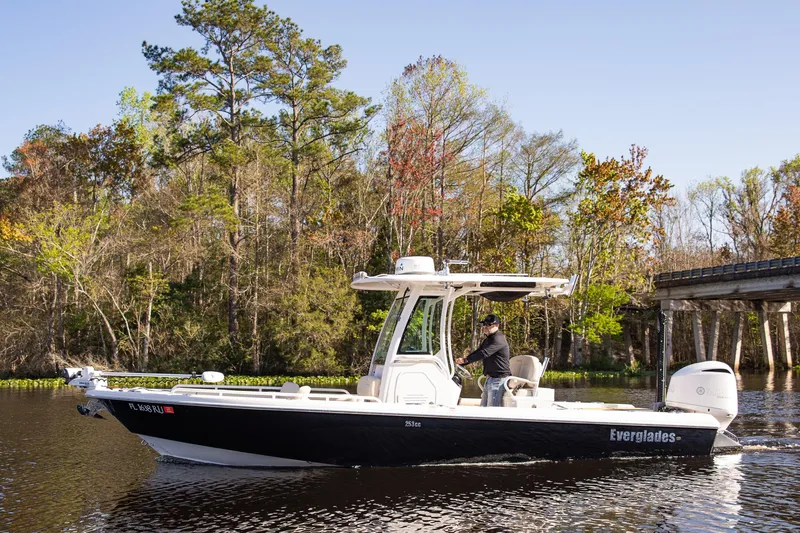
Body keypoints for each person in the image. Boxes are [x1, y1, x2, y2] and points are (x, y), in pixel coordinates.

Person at [455, 314, 510, 407]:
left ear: (496, 326)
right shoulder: (489, 339)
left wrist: (466, 360)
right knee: (483, 408)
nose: (485, 327)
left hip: (498, 380)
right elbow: (478, 351)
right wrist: (464, 362)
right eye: (484, 325)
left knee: (492, 411)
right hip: (490, 379)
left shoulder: (498, 339)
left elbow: (484, 353)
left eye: (488, 325)